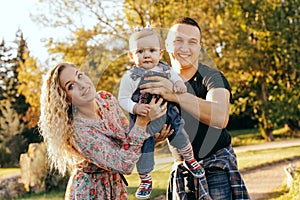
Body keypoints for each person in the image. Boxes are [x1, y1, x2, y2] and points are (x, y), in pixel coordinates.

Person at [140, 17, 250, 199]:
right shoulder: (156, 81)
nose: (185, 48)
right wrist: (156, 137)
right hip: (181, 169)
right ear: (166, 46)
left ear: (199, 47)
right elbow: (143, 129)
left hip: (216, 168)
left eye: (192, 42)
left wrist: (175, 95)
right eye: (178, 41)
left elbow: (220, 117)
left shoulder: (212, 77)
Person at [38, 62, 171, 200]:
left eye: (80, 76)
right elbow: (123, 164)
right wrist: (142, 122)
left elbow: (127, 142)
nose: (82, 85)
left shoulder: (106, 99)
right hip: (91, 191)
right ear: (65, 99)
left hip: (115, 186)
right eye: (71, 86)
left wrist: (151, 139)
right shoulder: (79, 132)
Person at [118, 27, 205, 199]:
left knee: (179, 134)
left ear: (160, 52)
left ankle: (190, 160)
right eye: (140, 51)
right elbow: (123, 99)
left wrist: (179, 84)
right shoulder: (130, 77)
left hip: (168, 114)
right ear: (131, 56)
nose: (147, 55)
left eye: (151, 50)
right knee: (145, 148)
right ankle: (145, 179)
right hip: (145, 120)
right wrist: (135, 107)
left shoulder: (165, 70)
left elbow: (175, 79)